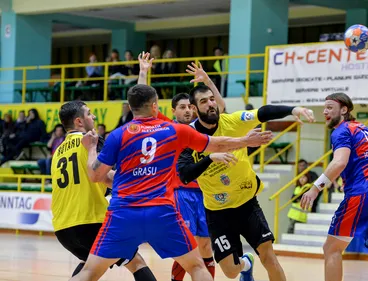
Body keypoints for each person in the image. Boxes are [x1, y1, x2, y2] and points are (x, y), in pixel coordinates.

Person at [69, 82, 273, 281]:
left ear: (130, 108)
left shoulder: (118, 135)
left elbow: (95, 176)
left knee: (89, 272)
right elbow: (216, 144)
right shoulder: (174, 130)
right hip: (162, 213)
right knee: (196, 266)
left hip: (123, 214)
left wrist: (91, 149)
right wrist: (245, 141)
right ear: (155, 105)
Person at [176, 85, 315, 281]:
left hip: (247, 204)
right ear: (195, 108)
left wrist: (294, 110)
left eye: (211, 99)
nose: (210, 104)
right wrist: (210, 159)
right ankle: (246, 264)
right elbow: (185, 175)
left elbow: (262, 112)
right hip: (218, 212)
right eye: (203, 101)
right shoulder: (188, 136)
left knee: (268, 256)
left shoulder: (233, 121)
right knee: (231, 272)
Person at [300, 93, 368, 281]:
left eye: (330, 107)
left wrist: (316, 187)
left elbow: (340, 162)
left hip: (363, 193)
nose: (325, 111)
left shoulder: (341, 131)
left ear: (344, 110)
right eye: (324, 108)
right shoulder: (361, 128)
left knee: (331, 248)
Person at [51, 101, 157, 281]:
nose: (93, 117)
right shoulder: (91, 141)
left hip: (62, 226)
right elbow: (106, 178)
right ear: (79, 121)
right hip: (90, 220)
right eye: (89, 113)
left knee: (89, 267)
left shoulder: (58, 151)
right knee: (136, 262)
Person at [168, 60, 227, 281]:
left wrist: (207, 81)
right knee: (187, 242)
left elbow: (220, 106)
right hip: (183, 192)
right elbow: (144, 111)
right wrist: (144, 73)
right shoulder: (172, 129)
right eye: (182, 107)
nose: (187, 110)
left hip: (206, 191)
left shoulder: (201, 126)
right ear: (174, 111)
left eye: (189, 106)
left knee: (205, 243)